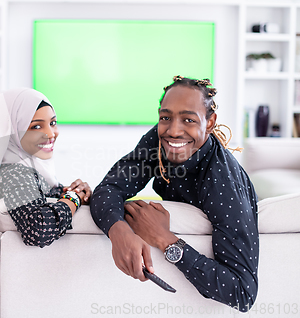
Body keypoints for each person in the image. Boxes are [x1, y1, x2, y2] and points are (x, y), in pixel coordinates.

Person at [90, 76, 258, 312]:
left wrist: (164, 239)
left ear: (210, 123)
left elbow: (242, 293)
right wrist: (118, 231)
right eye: (165, 117)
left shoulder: (222, 183)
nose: (173, 130)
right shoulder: (159, 140)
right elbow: (109, 188)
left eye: (189, 119)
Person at [0, 88, 91, 248]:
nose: (50, 134)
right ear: (12, 130)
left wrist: (80, 191)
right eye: (36, 127)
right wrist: (74, 199)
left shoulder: (29, 169)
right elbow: (39, 230)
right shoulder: (14, 172)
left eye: (52, 123)